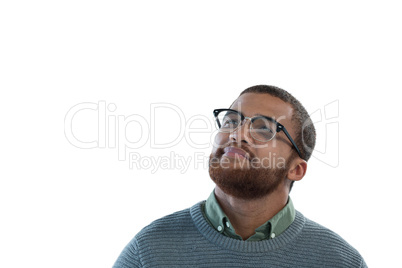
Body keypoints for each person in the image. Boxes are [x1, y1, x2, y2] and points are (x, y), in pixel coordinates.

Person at [113, 85, 367, 267]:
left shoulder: (340, 261)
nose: (237, 133)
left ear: (296, 169)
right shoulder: (149, 251)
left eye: (263, 128)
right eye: (231, 120)